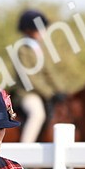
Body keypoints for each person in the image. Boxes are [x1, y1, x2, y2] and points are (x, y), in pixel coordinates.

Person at [11, 9, 67, 144]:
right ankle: (26, 152)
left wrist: (61, 91)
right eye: (40, 28)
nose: (43, 32)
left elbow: (49, 73)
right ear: (29, 29)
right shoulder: (22, 49)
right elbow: (29, 78)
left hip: (43, 93)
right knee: (37, 114)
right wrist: (49, 93)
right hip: (27, 93)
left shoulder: (39, 48)